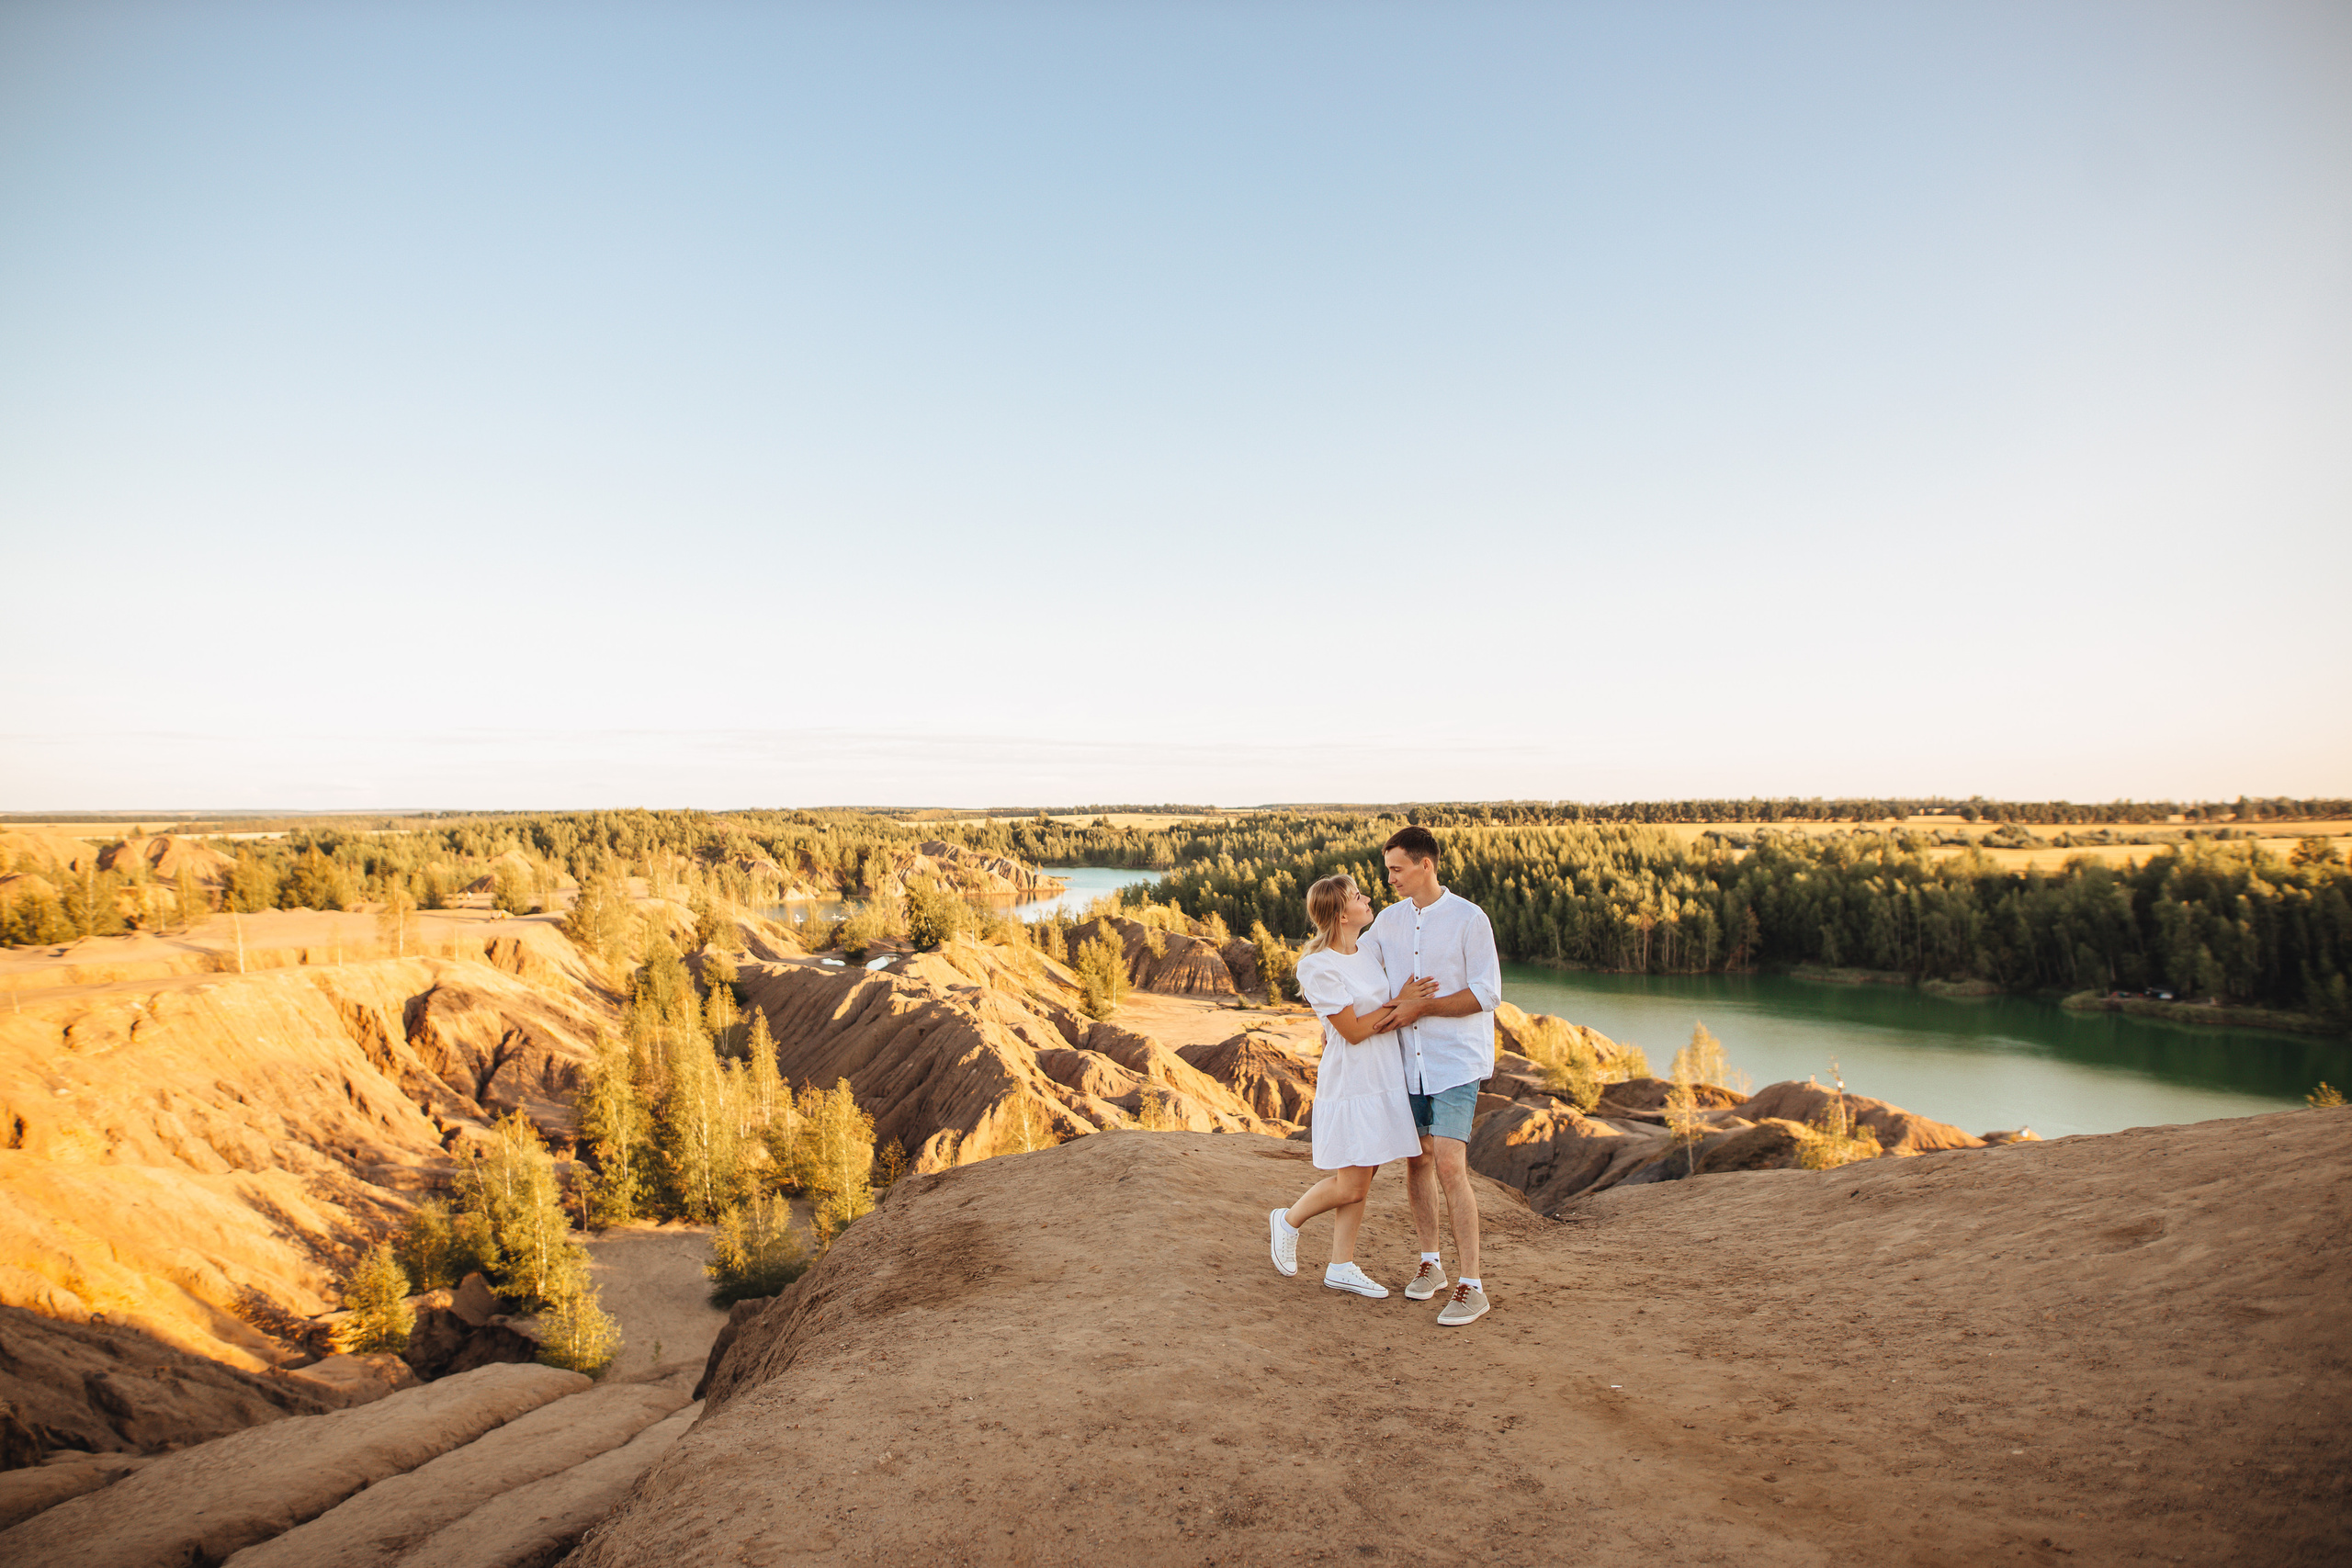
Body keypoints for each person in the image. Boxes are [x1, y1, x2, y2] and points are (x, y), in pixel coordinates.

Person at [1267, 873, 1431, 1298]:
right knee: (1352, 1184)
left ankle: (1341, 1264)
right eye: (1358, 896)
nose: (1367, 898)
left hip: (1383, 1076)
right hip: (1353, 1081)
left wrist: (1400, 998)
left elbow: (1368, 1010)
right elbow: (1354, 1031)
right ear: (1341, 913)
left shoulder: (1366, 950)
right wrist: (1402, 1002)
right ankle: (1288, 1220)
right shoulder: (1317, 966)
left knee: (1364, 1173)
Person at [1367, 826, 1503, 1325]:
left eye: (1397, 869)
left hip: (1454, 1061)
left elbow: (1486, 994)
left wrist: (1420, 1006)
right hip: (1405, 1061)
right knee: (1418, 1161)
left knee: (1449, 1163)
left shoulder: (1470, 919)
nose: (1391, 880)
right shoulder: (1386, 922)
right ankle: (1431, 1264)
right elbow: (1368, 980)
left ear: (1426, 864)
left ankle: (1473, 1285)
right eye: (1387, 870)